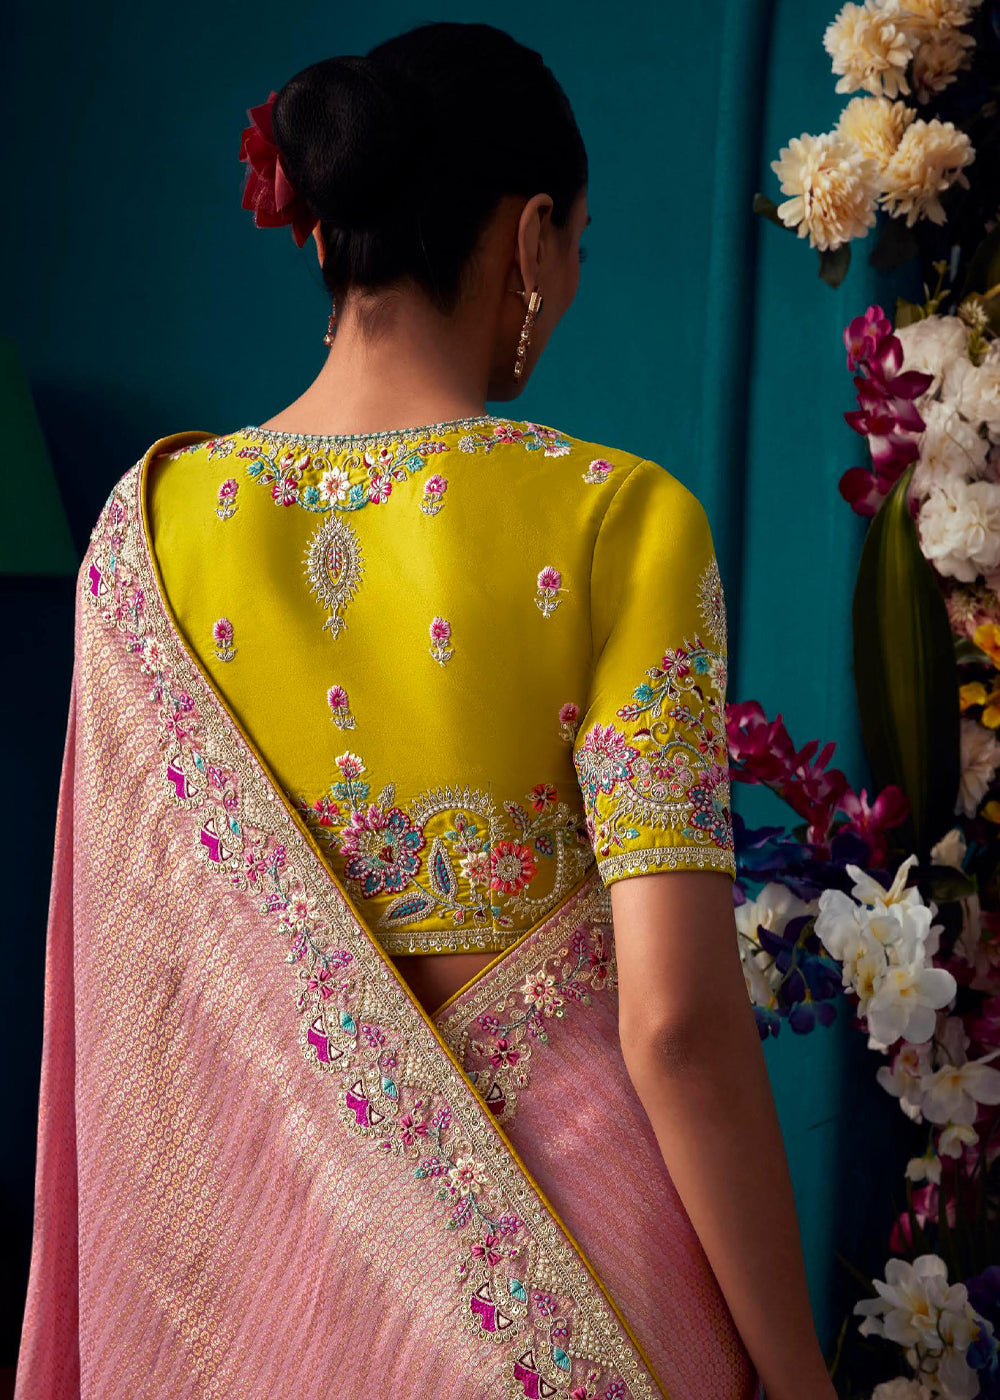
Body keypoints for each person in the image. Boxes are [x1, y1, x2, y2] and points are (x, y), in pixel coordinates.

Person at [15, 20, 838, 1400]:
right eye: (576, 243)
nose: (572, 280)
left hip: (265, 1309)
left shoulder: (144, 539)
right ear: (528, 242)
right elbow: (678, 1025)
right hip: (590, 1303)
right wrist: (801, 1376)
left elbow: (130, 1037)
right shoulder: (621, 520)